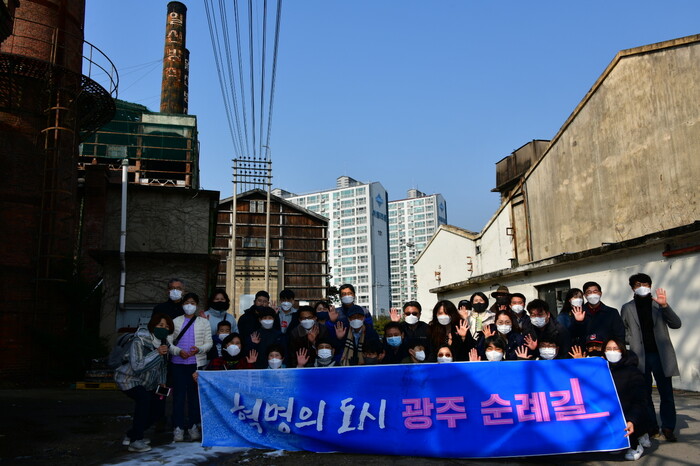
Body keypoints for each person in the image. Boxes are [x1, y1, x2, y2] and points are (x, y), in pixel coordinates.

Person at [621, 273, 682, 442]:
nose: (643, 286)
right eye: (639, 284)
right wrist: (632, 339)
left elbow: (676, 324)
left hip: (661, 355)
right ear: (632, 287)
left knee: (666, 394)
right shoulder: (627, 308)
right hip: (640, 357)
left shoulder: (658, 305)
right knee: (644, 394)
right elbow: (624, 330)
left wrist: (665, 306)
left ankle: (668, 427)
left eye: (646, 284)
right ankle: (652, 427)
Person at [114, 313, 173, 453]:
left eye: (166, 326)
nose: (163, 328)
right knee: (144, 400)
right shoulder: (139, 340)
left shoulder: (165, 343)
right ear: (153, 325)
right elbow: (137, 366)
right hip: (128, 379)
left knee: (157, 410)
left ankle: (132, 434)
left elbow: (163, 366)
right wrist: (157, 353)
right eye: (160, 325)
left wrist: (163, 382)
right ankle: (136, 441)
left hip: (149, 382)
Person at [168, 292, 212, 442]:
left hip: (196, 365)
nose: (189, 305)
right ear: (182, 305)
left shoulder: (203, 322)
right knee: (179, 397)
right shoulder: (175, 321)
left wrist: (199, 349)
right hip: (178, 365)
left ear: (197, 305)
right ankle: (178, 428)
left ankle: (193, 426)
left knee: (194, 397)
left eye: (193, 303)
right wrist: (178, 351)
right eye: (187, 302)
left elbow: (209, 343)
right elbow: (168, 343)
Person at [604, 338, 648, 461]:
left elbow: (640, 401)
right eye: (608, 349)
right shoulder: (602, 370)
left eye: (615, 349)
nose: (611, 352)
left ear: (622, 351)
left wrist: (632, 420)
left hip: (629, 413)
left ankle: (636, 443)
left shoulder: (633, 372)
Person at [570, 281, 625, 347]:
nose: (592, 294)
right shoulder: (578, 312)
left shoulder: (611, 312)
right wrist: (579, 322)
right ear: (585, 295)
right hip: (586, 352)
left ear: (600, 293)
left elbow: (619, 335)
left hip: (606, 351)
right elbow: (574, 335)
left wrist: (615, 350)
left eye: (595, 291)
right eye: (589, 292)